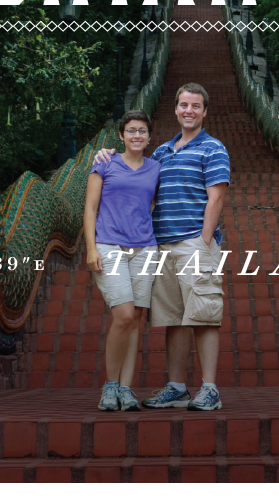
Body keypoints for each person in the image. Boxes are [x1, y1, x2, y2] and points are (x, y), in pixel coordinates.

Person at [94, 83, 229, 411]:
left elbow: (217, 197)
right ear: (175, 109)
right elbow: (135, 175)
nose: (189, 111)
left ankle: (209, 388)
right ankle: (177, 387)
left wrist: (204, 240)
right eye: (184, 104)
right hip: (160, 245)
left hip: (194, 243)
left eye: (196, 106)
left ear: (205, 112)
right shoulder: (163, 153)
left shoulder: (213, 148)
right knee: (175, 318)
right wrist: (106, 154)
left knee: (204, 314)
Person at [83, 110, 162, 412]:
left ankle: (126, 389)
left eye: (142, 131)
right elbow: (90, 209)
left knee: (136, 319)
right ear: (121, 135)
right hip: (109, 244)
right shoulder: (104, 163)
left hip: (145, 248)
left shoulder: (156, 167)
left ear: (149, 136)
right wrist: (91, 249)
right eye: (131, 130)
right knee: (124, 315)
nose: (137, 136)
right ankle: (110, 385)